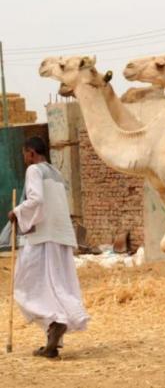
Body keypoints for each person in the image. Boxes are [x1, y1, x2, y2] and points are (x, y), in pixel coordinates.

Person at [7, 136, 89, 358]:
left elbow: (36, 200)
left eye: (25, 153)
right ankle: (53, 339)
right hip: (60, 236)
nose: (24, 158)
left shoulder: (34, 171)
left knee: (25, 285)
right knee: (56, 285)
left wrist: (17, 212)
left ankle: (56, 320)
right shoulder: (57, 173)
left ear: (32, 153)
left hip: (43, 237)